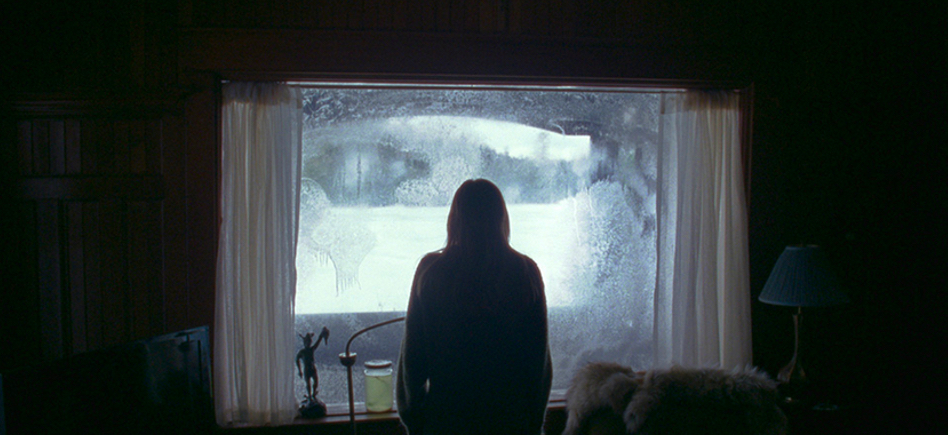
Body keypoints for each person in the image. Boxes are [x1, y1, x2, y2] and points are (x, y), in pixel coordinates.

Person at [396, 179, 553, 435]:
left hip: (446, 419)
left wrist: (416, 420)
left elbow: (413, 362)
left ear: (455, 219)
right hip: (509, 420)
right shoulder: (524, 272)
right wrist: (532, 423)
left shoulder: (432, 272)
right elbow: (538, 366)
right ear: (501, 218)